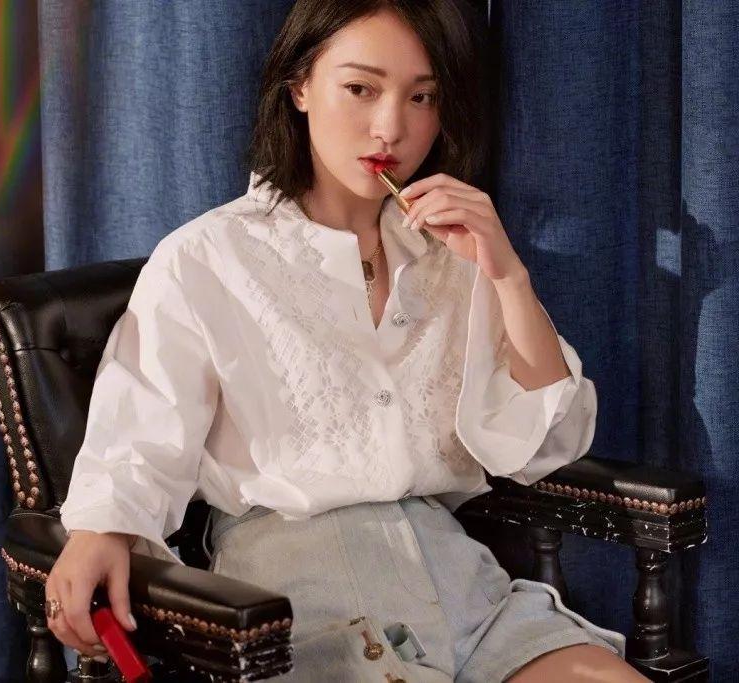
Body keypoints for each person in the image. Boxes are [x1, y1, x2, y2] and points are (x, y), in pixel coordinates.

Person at [45, 1, 650, 680]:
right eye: (361, 88)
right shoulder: (206, 256)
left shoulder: (454, 255)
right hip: (304, 610)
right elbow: (138, 436)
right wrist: (100, 531)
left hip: (465, 593)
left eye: (422, 97)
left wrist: (507, 274)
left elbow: (547, 444)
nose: (391, 127)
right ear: (300, 85)